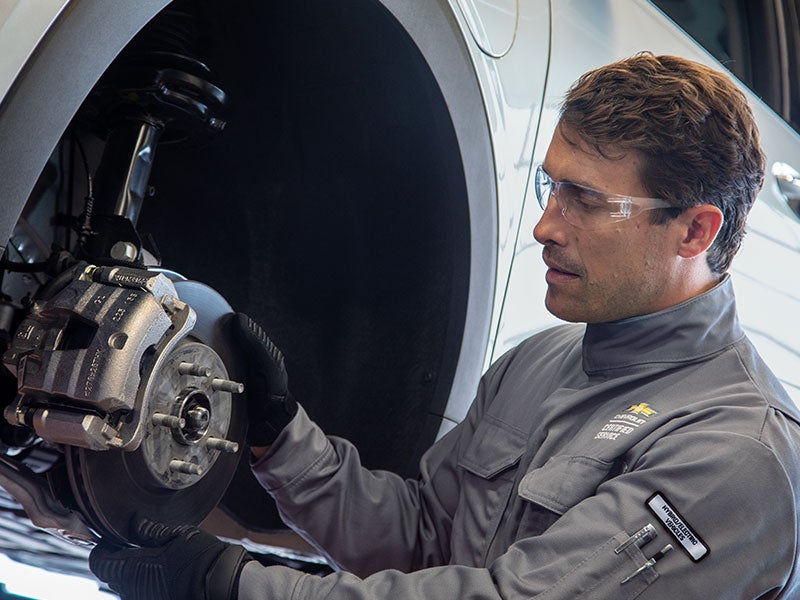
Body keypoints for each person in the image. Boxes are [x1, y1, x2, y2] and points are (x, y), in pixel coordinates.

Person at [89, 52, 800, 599]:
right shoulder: (544, 359)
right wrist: (279, 438)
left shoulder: (737, 455)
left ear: (694, 230)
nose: (545, 226)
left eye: (585, 200)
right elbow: (425, 540)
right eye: (550, 187)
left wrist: (235, 585)